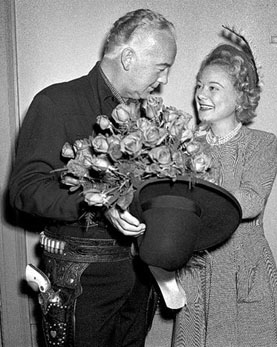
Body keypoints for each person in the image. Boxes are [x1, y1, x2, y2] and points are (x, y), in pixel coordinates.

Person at [9, 8, 177, 347]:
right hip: (82, 280)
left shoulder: (146, 116)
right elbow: (24, 190)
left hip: (138, 279)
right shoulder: (55, 102)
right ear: (128, 57)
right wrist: (97, 200)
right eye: (161, 68)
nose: (164, 81)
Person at [172, 29, 277, 347]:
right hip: (196, 273)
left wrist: (191, 196)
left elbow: (250, 201)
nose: (201, 94)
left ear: (240, 96)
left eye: (213, 87)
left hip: (244, 276)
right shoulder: (184, 145)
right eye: (199, 86)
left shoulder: (262, 143)